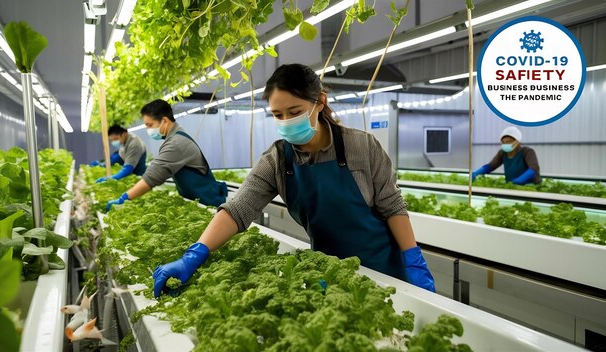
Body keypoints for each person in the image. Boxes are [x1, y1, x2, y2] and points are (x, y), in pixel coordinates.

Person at [151, 64, 435, 297]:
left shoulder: (361, 147)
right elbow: (239, 209)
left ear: (319, 102)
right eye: (277, 115)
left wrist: (413, 260)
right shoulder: (277, 159)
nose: (286, 121)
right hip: (331, 272)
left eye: (295, 112)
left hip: (386, 271)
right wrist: (195, 253)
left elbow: (392, 207)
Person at [105, 99, 227, 211]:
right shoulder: (175, 136)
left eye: (149, 125)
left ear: (164, 121)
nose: (148, 130)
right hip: (199, 202)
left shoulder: (176, 143)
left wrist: (123, 199)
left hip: (208, 204)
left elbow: (151, 177)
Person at [472, 126, 541, 185]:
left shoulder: (527, 152)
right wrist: (477, 173)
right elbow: (491, 166)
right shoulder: (502, 153)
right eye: (503, 142)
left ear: (517, 142)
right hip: (512, 187)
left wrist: (519, 180)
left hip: (530, 187)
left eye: (509, 141)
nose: (506, 144)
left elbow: (533, 169)